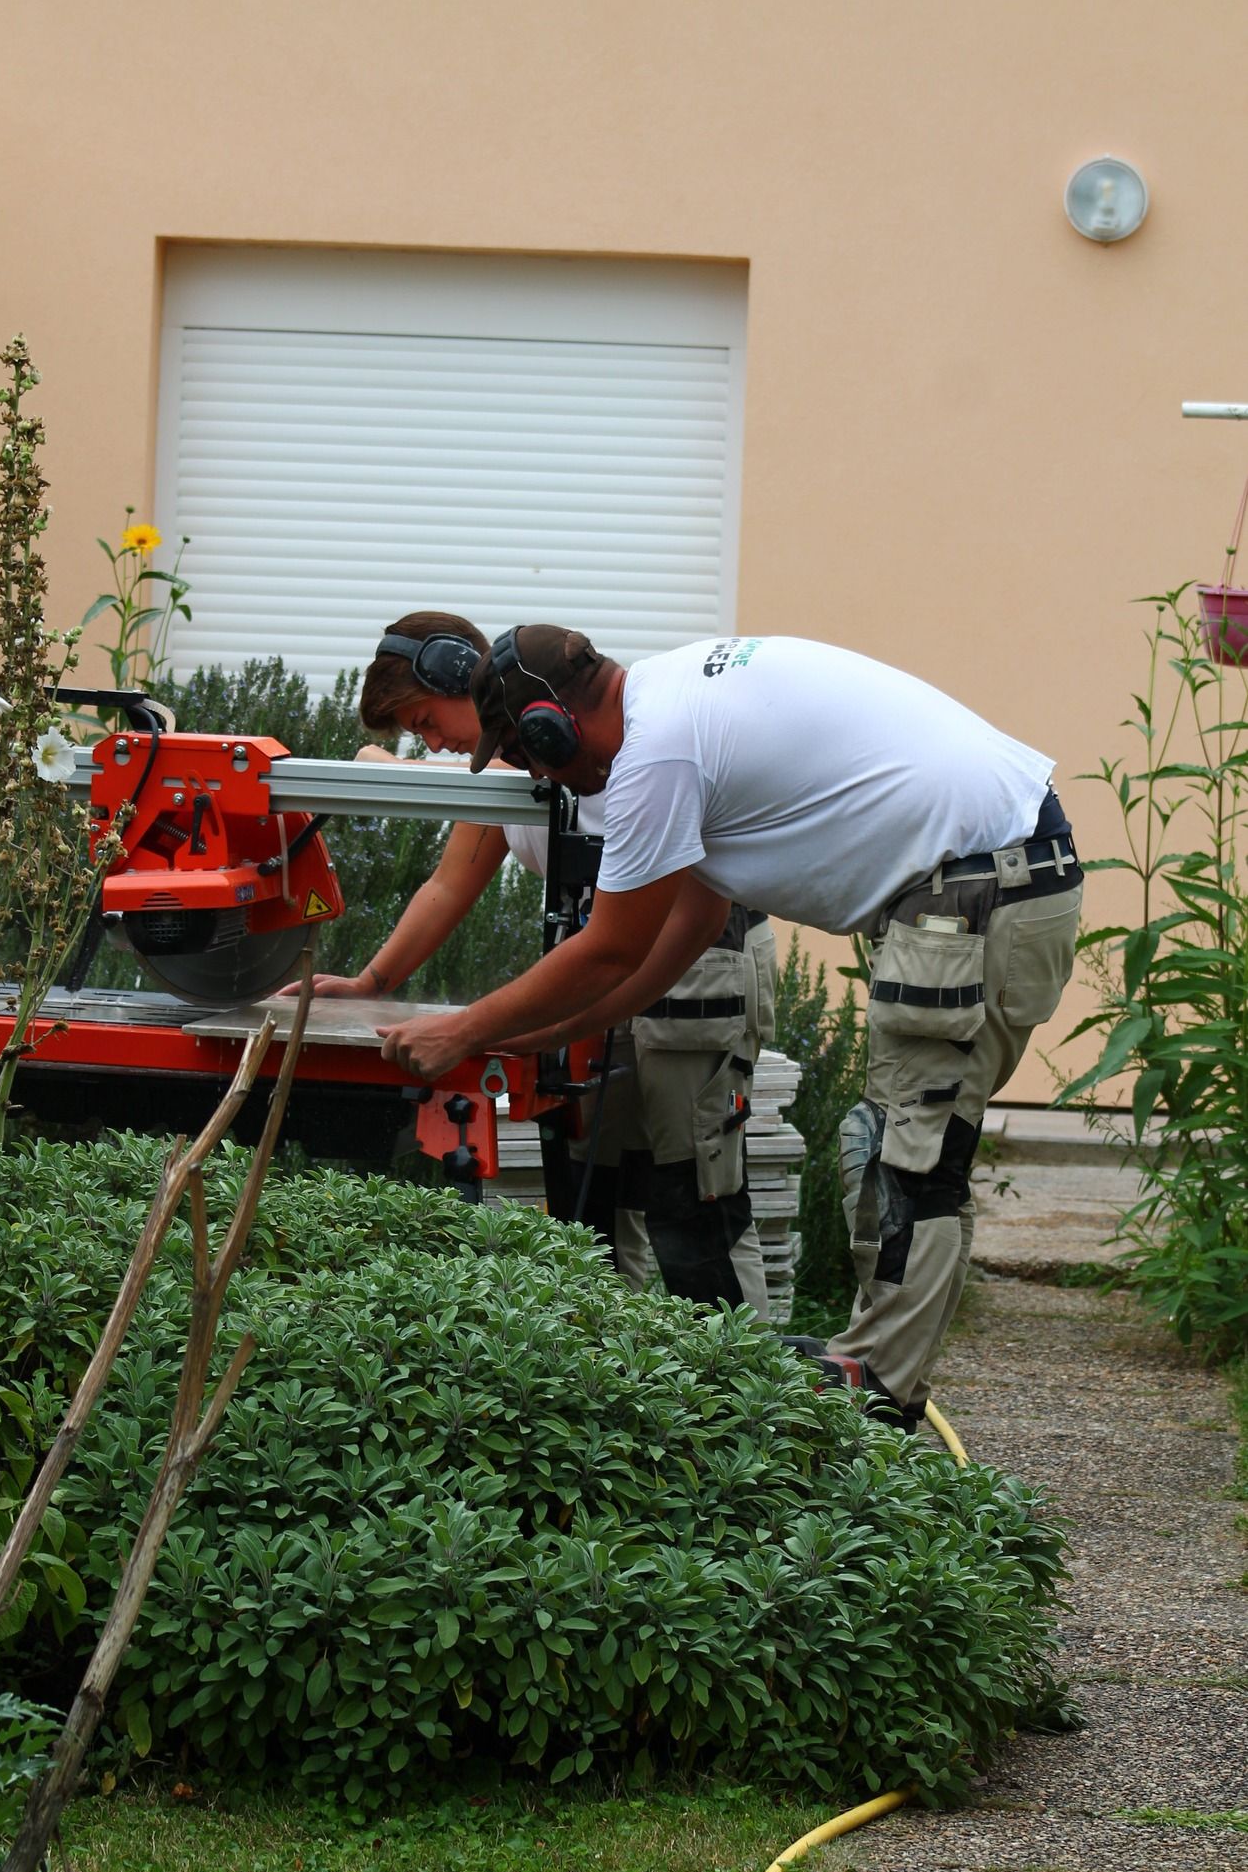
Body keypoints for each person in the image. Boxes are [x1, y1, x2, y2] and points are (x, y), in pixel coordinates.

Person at [379, 625, 1084, 1432]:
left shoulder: (656, 755)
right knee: (895, 1143)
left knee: (909, 1157)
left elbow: (609, 948)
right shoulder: (669, 702)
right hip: (979, 874)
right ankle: (873, 1377)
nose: (537, 776)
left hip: (982, 881)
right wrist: (558, 1030)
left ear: (551, 728)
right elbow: (690, 921)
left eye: (526, 755)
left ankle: (876, 1401)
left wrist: (464, 1032)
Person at [304, 610, 778, 1316]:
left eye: (425, 720)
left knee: (693, 1193)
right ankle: (617, 1363)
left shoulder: (569, 734)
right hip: (595, 960)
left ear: (461, 679)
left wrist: (405, 771)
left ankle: (740, 1377)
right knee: (591, 1196)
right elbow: (447, 887)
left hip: (697, 952)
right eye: (415, 737)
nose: (431, 741)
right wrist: (372, 983)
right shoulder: (497, 770)